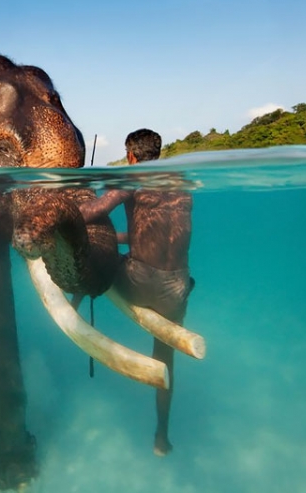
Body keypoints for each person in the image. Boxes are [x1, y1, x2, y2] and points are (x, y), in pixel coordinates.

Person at [79, 128, 194, 456]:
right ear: (157, 152)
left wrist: (64, 215)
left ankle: (78, 293)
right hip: (178, 288)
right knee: (165, 359)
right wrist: (117, 237)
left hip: (141, 283)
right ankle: (162, 437)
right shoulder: (181, 184)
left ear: (131, 155)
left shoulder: (132, 177)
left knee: (99, 258)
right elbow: (152, 232)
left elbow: (93, 212)